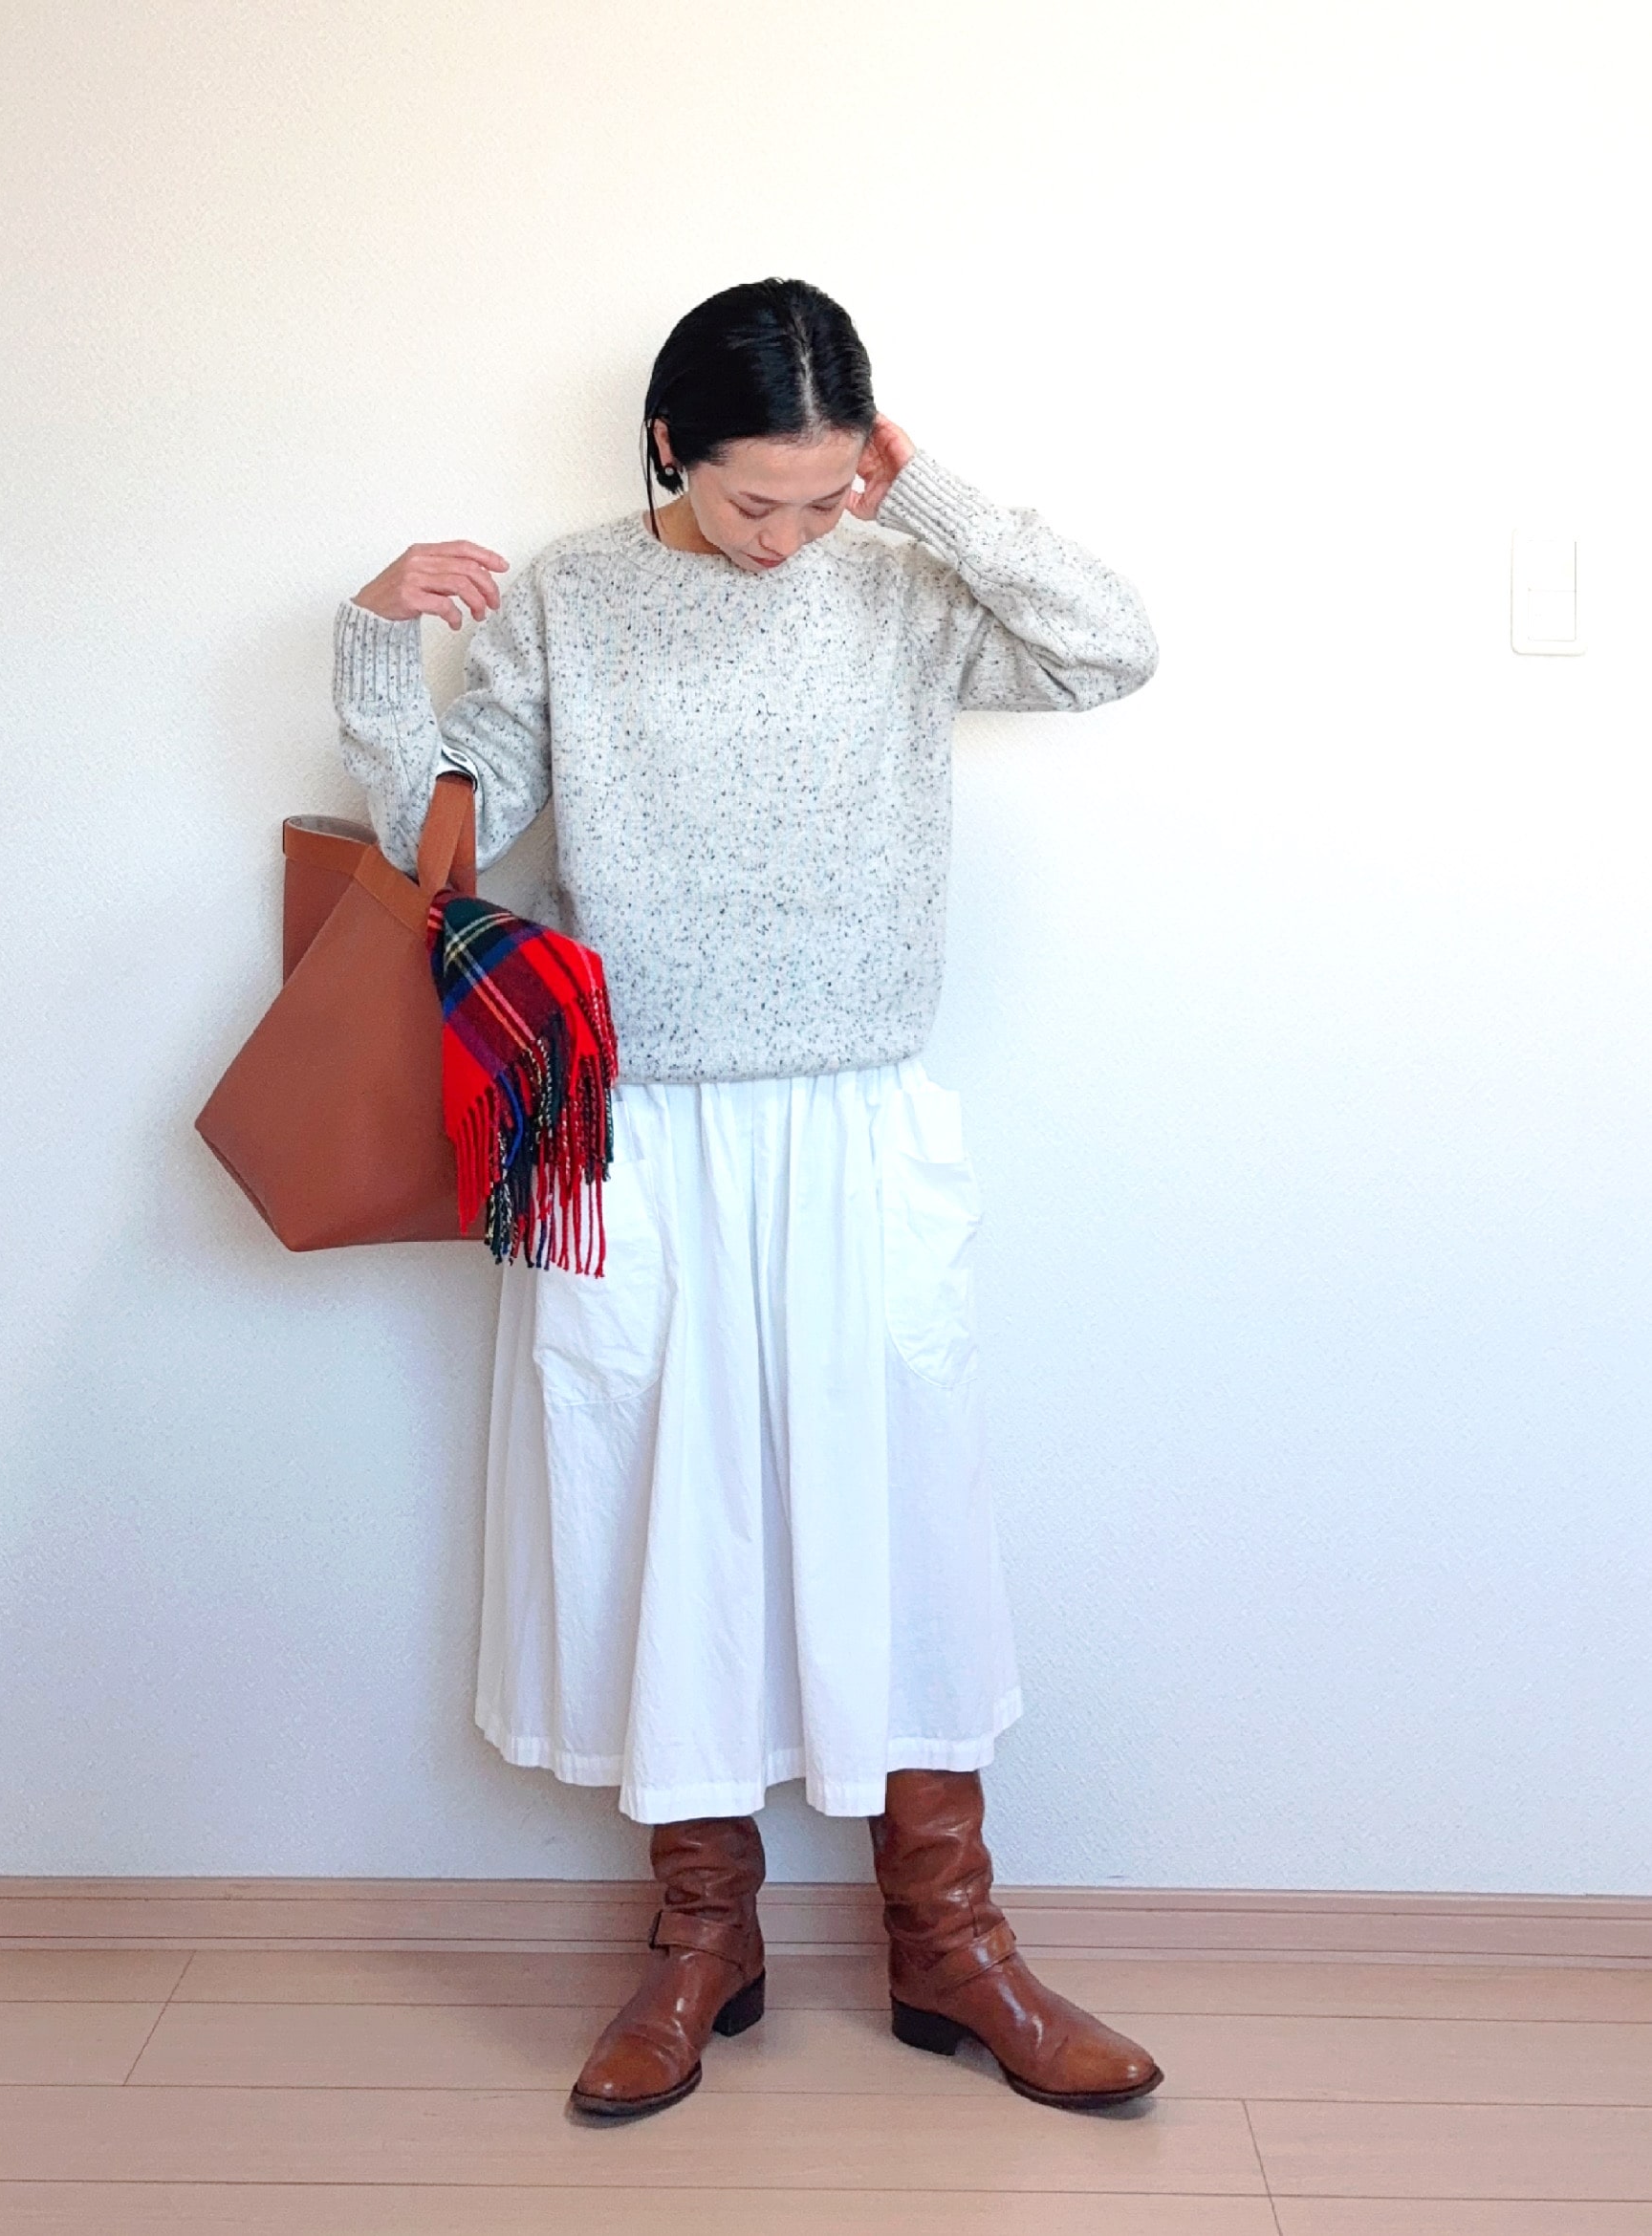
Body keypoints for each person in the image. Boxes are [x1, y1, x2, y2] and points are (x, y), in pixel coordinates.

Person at [334, 277, 1163, 2120]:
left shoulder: (897, 580)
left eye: (822, 497)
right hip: (641, 1132)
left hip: (856, 1120)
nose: (787, 540)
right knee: (660, 1518)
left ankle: (954, 1947)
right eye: (747, 501)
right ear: (668, 449)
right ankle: (703, 1941)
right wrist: (382, 654)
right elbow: (441, 834)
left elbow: (1109, 648)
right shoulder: (574, 593)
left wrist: (921, 495)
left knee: (901, 1523)